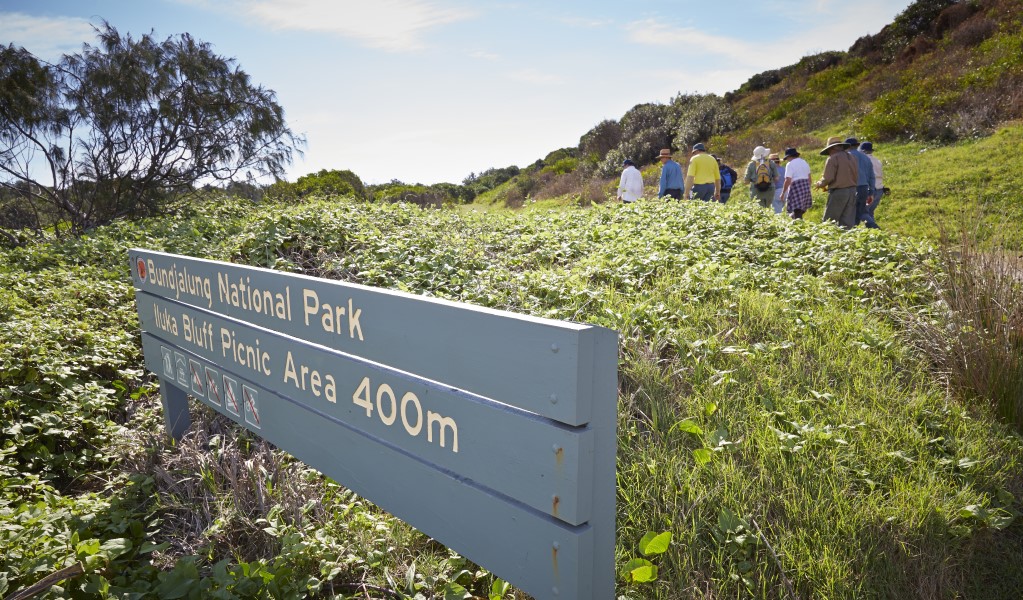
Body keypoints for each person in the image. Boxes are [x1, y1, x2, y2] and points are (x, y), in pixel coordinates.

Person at [815, 136, 858, 228]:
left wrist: (819, 184)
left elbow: (828, 178)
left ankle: (828, 241)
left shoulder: (833, 158)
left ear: (833, 148)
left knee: (829, 221)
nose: (829, 153)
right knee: (847, 223)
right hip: (852, 191)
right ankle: (847, 241)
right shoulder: (852, 157)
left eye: (829, 150)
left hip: (839, 192)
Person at [844, 137, 878, 229]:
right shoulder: (866, 158)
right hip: (864, 188)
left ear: (847, 146)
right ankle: (855, 230)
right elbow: (872, 176)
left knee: (853, 212)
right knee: (860, 211)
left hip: (852, 187)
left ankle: (874, 227)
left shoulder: (847, 157)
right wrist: (871, 191)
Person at [780, 147, 812, 219]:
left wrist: (783, 193)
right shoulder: (804, 162)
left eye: (787, 158)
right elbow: (809, 178)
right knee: (800, 210)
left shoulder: (790, 164)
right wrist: (808, 188)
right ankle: (796, 220)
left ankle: (798, 226)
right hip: (806, 185)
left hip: (796, 187)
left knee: (796, 210)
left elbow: (788, 180)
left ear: (789, 156)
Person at [859, 141, 884, 227]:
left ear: (862, 151)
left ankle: (875, 229)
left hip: (870, 189)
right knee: (870, 212)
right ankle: (873, 235)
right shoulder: (877, 161)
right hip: (880, 189)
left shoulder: (864, 161)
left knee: (862, 212)